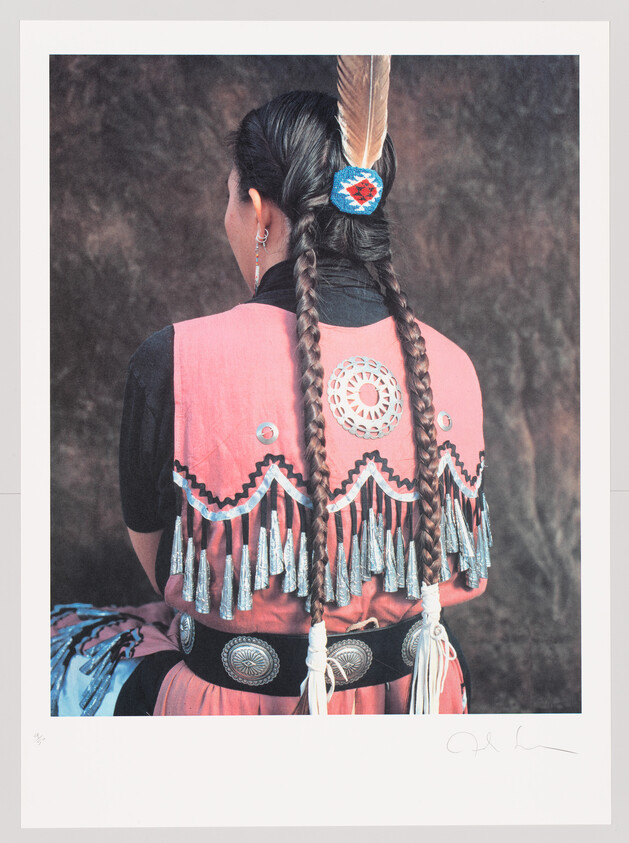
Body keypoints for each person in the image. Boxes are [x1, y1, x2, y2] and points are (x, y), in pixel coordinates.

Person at [51, 86, 491, 717]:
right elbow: (461, 568)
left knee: (53, 640)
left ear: (259, 212)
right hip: (415, 707)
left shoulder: (173, 358)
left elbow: (163, 571)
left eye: (230, 199)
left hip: (233, 718)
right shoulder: (451, 364)